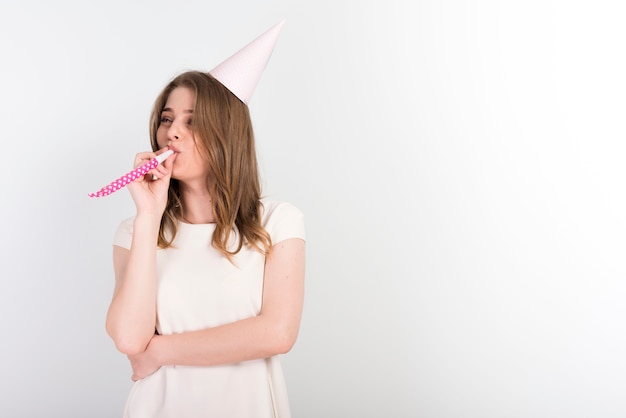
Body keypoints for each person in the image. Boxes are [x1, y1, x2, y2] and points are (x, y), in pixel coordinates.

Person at [105, 21, 305, 418]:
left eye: (191, 121)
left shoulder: (279, 222)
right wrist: (149, 216)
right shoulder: (135, 232)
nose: (171, 133)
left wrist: (161, 350)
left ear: (226, 133)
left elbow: (277, 334)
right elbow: (129, 338)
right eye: (166, 119)